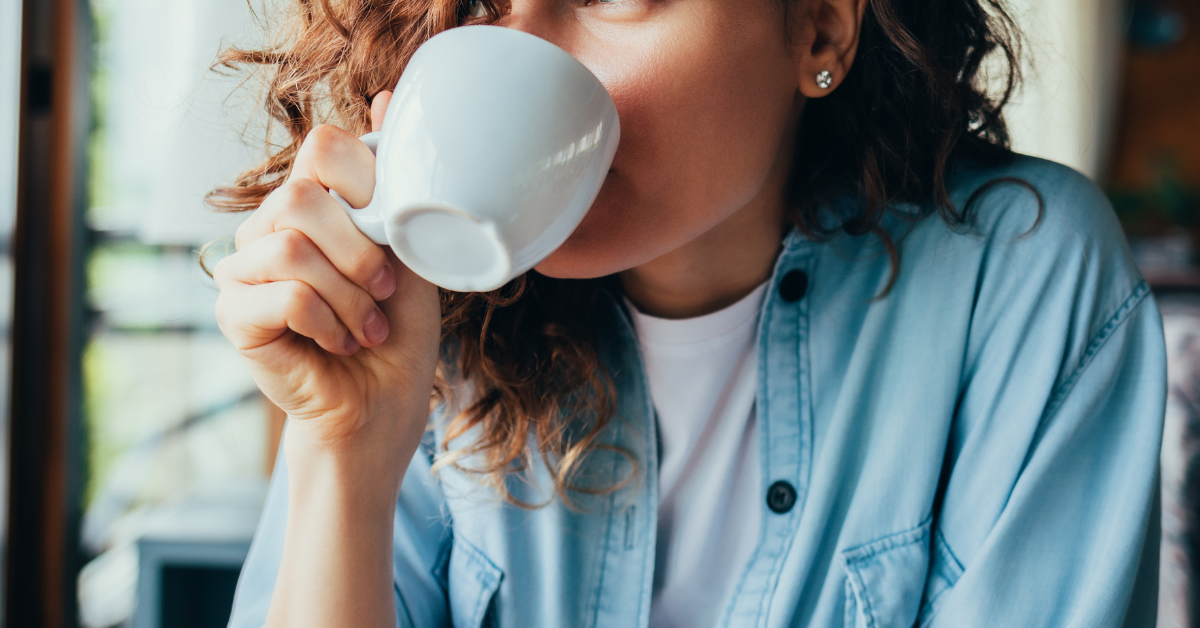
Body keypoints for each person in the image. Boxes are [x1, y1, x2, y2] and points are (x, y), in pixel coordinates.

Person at [211, 0, 1166, 626]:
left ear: (821, 30)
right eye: (479, 2)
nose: (520, 51)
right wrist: (345, 459)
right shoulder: (413, 317)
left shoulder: (1021, 279)